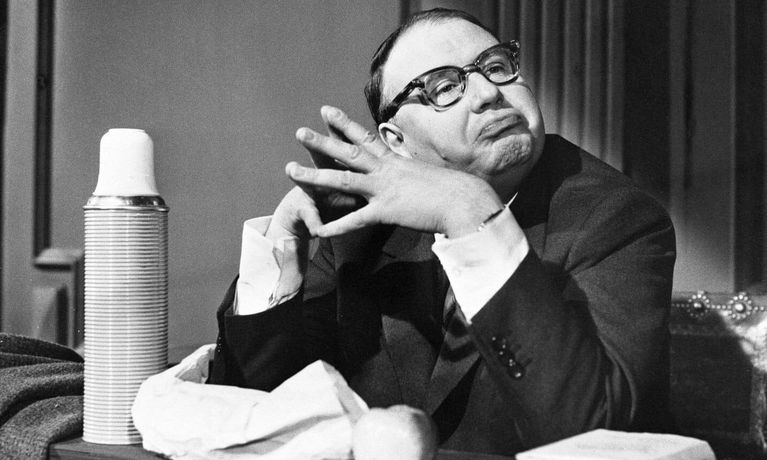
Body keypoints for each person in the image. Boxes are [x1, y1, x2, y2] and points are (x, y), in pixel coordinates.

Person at [208, 8, 676, 456]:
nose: (488, 93)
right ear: (396, 143)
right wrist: (282, 252)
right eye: (445, 87)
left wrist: (471, 213)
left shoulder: (617, 217)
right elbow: (256, 417)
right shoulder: (360, 229)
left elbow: (595, 431)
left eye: (497, 67)